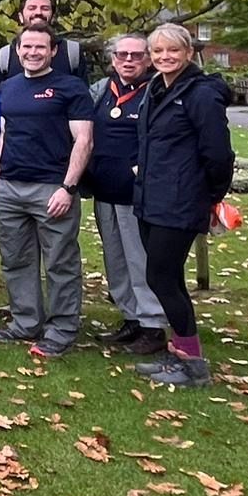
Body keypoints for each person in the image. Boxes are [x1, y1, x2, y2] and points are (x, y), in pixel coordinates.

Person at [130, 24, 235, 387]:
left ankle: (193, 365)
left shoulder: (200, 94)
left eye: (172, 50)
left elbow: (218, 154)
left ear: (189, 53)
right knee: (168, 278)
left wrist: (211, 195)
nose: (164, 57)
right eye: (157, 51)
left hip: (180, 201)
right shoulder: (156, 89)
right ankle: (180, 353)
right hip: (151, 198)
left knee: (160, 277)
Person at [0, 22, 94, 358]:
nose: (33, 53)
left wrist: (68, 187)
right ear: (18, 51)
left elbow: (84, 140)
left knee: (60, 262)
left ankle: (62, 330)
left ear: (53, 51)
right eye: (27, 47)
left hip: (52, 188)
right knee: (15, 259)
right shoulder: (9, 87)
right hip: (11, 187)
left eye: (40, 47)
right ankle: (25, 322)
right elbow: (5, 134)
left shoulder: (70, 88)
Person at [85, 34, 166, 355]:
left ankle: (153, 325)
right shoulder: (102, 90)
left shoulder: (156, 91)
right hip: (104, 190)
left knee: (139, 259)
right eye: (122, 55)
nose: (128, 60)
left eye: (136, 55)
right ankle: (131, 317)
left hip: (138, 195)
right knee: (115, 259)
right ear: (113, 59)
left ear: (148, 59)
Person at [0, 0, 89, 83]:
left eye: (45, 8)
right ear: (20, 17)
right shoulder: (5, 56)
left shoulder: (72, 52)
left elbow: (82, 91)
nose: (38, 12)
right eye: (32, 8)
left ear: (53, 16)